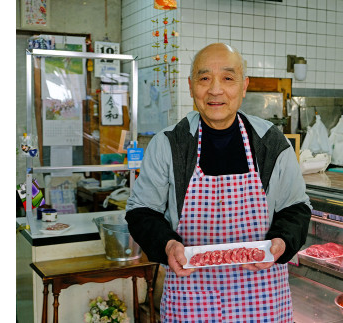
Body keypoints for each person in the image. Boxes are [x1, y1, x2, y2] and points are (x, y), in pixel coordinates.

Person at [125, 42, 312, 322]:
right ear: (191, 87)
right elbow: (141, 212)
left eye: (227, 78)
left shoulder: (271, 143)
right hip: (190, 300)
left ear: (244, 85)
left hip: (262, 300)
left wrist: (281, 242)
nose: (215, 90)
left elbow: (296, 208)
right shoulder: (169, 144)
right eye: (204, 78)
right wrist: (167, 245)